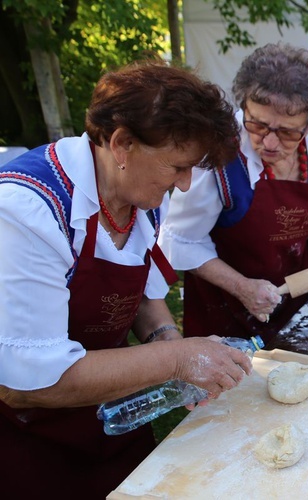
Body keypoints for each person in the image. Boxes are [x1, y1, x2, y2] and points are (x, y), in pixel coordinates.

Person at [0, 61, 249, 498]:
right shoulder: (26, 211)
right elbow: (26, 383)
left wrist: (167, 339)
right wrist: (177, 360)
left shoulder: (139, 193)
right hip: (34, 441)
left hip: (114, 413)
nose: (186, 185)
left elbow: (141, 292)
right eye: (178, 167)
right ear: (122, 144)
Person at [160, 43, 308, 341]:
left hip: (294, 297)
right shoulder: (217, 157)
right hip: (224, 311)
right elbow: (178, 240)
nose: (269, 143)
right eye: (257, 125)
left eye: (287, 132)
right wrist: (242, 287)